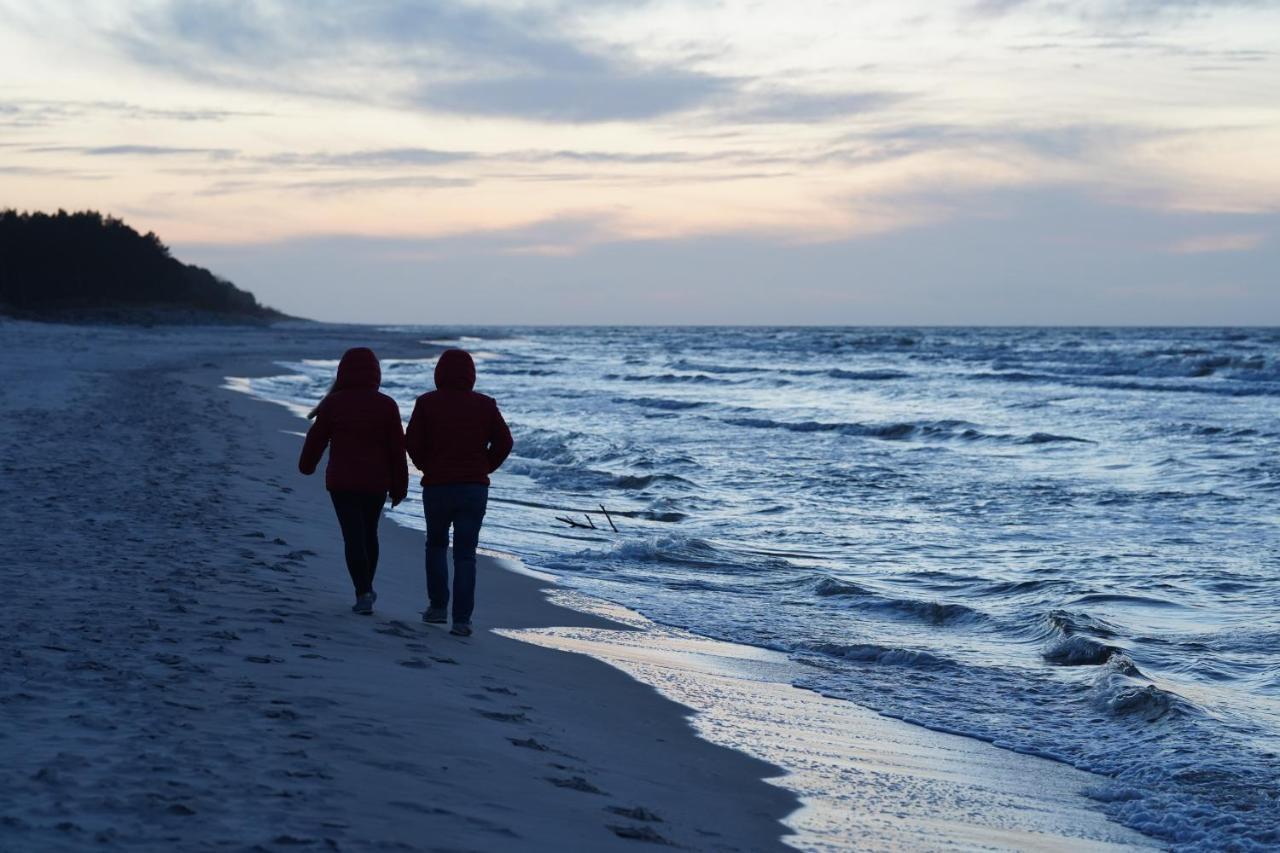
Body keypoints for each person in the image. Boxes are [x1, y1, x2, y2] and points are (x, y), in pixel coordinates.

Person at [405, 348, 513, 637]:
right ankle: (462, 620)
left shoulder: (427, 403)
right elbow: (505, 442)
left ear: (439, 373)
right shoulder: (485, 405)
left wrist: (426, 465)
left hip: (438, 486)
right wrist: (485, 468)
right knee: (466, 554)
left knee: (436, 545)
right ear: (471, 375)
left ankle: (438, 607)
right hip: (473, 488)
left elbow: (411, 442)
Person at [298, 347, 408, 615]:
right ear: (376, 373)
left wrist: (307, 466)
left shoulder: (333, 403)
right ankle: (366, 588)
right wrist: (399, 487)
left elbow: (316, 439)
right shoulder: (387, 405)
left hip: (342, 482)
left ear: (342, 372)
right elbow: (397, 449)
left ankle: (363, 591)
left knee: (353, 536)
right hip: (376, 482)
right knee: (370, 534)